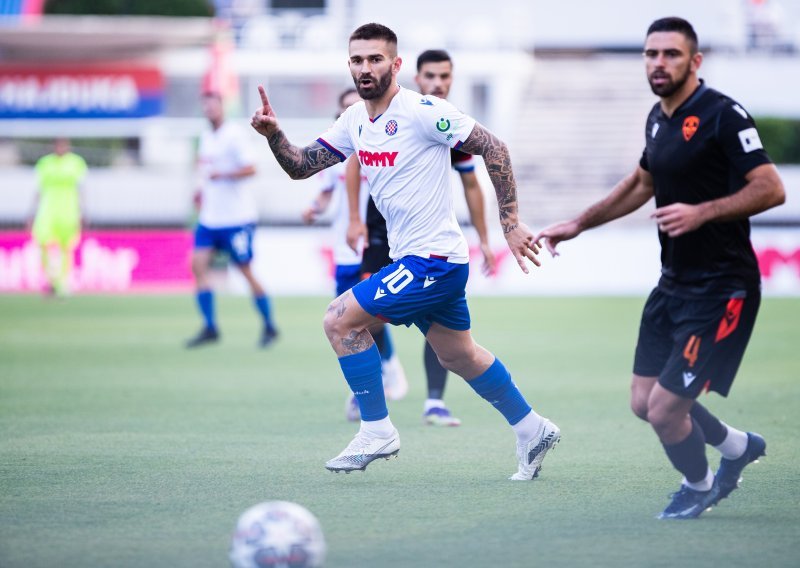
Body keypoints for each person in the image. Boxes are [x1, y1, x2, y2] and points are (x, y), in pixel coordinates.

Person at [251, 23, 560, 479]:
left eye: (375, 59)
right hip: (422, 261)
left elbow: (494, 148)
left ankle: (376, 430)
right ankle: (532, 429)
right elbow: (301, 166)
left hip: (432, 261)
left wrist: (509, 224)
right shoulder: (355, 119)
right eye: (357, 60)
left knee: (339, 321)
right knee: (459, 355)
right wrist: (275, 135)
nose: (365, 68)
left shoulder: (423, 111)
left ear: (395, 65)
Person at [536, 17, 785, 518]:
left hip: (723, 287)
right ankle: (737, 447)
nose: (658, 63)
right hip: (673, 284)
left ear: (694, 62)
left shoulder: (723, 115)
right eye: (651, 54)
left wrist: (703, 211)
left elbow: (772, 188)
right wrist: (579, 223)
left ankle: (700, 485)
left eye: (671, 54)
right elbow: (640, 183)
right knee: (643, 401)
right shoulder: (658, 116)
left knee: (666, 412)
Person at [345, 49, 497, 427]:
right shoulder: (395, 112)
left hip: (428, 246)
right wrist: (352, 218)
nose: (438, 83)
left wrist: (487, 237)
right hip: (381, 232)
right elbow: (352, 159)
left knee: (438, 333)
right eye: (431, 76)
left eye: (445, 77)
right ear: (414, 75)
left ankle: (430, 400)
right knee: (358, 317)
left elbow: (472, 182)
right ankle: (380, 370)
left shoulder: (446, 123)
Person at [303, 88, 407, 422]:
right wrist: (314, 208)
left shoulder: (381, 143)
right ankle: (382, 374)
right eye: (346, 107)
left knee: (367, 315)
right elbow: (325, 192)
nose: (354, 111)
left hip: (374, 244)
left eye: (356, 105)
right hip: (343, 247)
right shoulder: (334, 152)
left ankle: (375, 381)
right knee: (349, 319)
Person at [186, 91, 279, 349]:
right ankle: (210, 326)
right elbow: (204, 170)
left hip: (237, 218)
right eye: (205, 107)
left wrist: (224, 174)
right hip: (210, 218)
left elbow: (251, 168)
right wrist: (200, 190)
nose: (209, 111)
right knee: (197, 265)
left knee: (245, 271)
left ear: (222, 108)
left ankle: (270, 325)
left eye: (213, 106)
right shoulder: (206, 137)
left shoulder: (234, 134)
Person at [29, 138, 87, 297]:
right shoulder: (45, 163)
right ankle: (50, 280)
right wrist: (31, 213)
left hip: (69, 212)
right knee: (45, 245)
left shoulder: (76, 163)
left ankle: (62, 283)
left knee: (66, 248)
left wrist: (82, 211)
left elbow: (81, 189)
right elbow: (38, 189)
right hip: (47, 211)